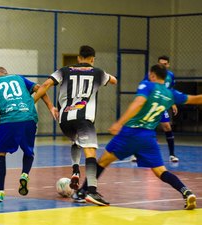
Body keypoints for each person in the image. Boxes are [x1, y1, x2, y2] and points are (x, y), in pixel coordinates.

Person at [76, 64, 199, 209]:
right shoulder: (171, 93)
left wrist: (119, 123)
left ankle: (84, 191)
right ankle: (186, 191)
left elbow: (139, 103)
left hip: (130, 132)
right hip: (148, 137)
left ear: (152, 75)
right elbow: (195, 99)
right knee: (161, 171)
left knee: (103, 161)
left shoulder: (147, 85)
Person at [33, 45, 117, 205]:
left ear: (79, 58)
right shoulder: (98, 72)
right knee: (90, 151)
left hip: (64, 121)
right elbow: (114, 80)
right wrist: (106, 77)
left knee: (77, 141)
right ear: (93, 58)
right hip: (83, 118)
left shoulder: (63, 70)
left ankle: (76, 170)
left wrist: (32, 103)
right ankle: (91, 191)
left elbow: (44, 86)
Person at [0, 66, 57, 202]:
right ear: (6, 73)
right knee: (28, 151)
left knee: (0, 153)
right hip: (29, 117)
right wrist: (51, 106)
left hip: (8, 120)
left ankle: (0, 192)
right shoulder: (18, 77)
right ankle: (24, 174)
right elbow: (41, 88)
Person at [131, 55, 178, 163]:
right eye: (161, 64)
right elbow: (144, 86)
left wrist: (173, 103)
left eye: (165, 64)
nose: (163, 65)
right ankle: (135, 154)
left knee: (167, 126)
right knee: (142, 127)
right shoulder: (151, 75)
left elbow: (170, 90)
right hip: (149, 106)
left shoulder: (170, 76)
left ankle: (172, 154)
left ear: (168, 64)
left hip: (161, 106)